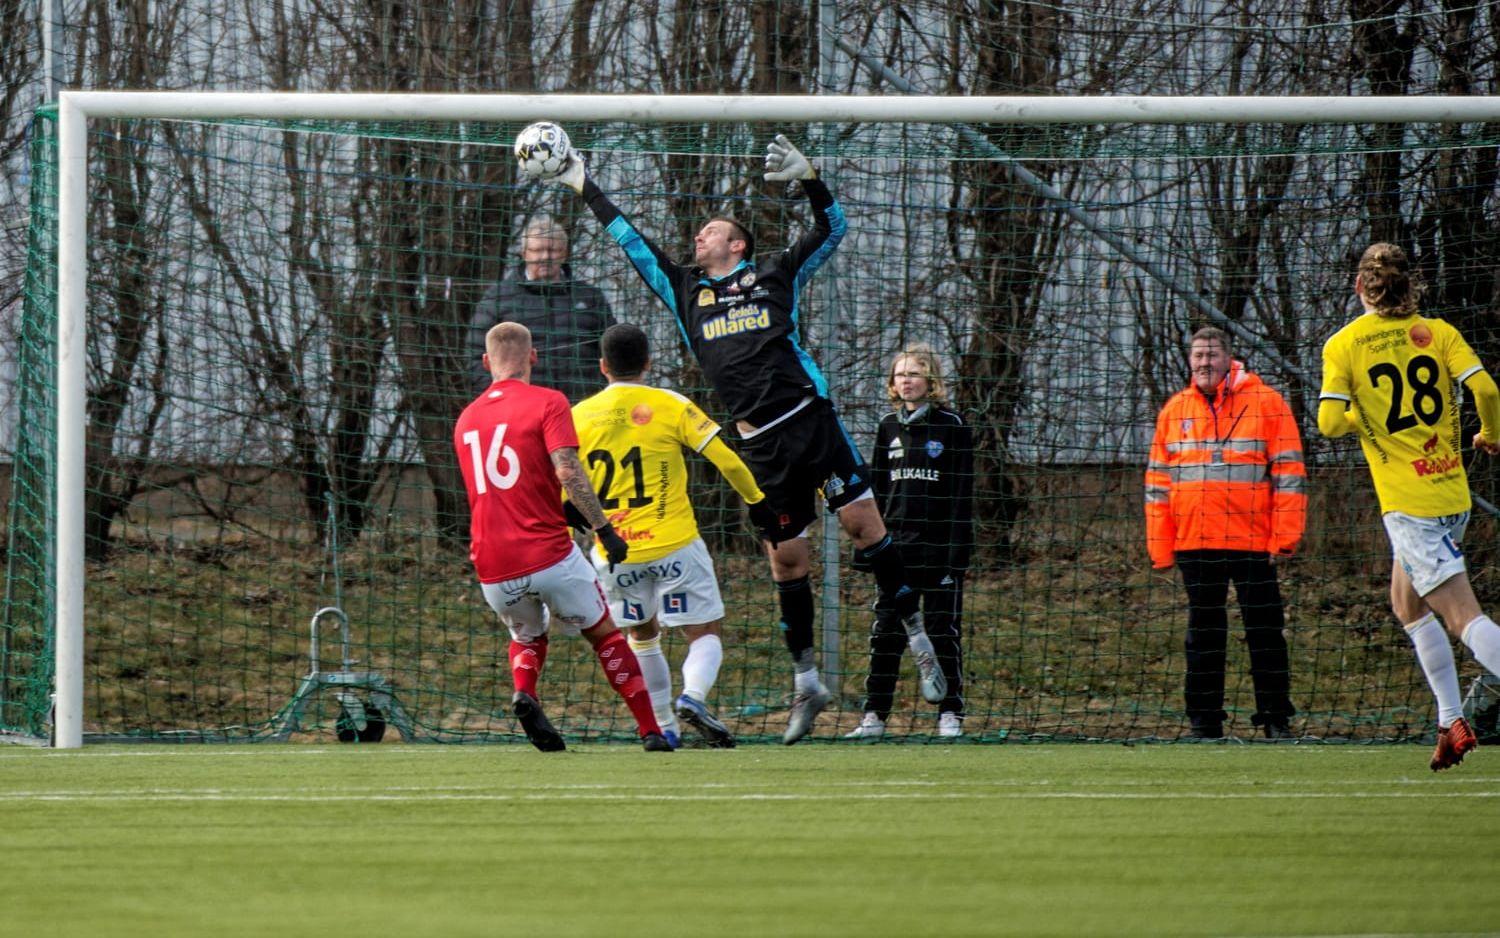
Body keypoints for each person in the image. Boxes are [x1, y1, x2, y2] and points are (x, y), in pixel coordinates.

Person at [551, 132, 946, 744]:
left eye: (710, 231)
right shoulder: (688, 292)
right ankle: (807, 681)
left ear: (736, 243)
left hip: (811, 422)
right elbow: (632, 242)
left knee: (866, 529)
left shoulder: (774, 273)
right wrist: (583, 184)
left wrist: (809, 179)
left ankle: (918, 634)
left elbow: (833, 230)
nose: (698, 238)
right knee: (788, 563)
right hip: (758, 446)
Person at [1319, 242, 1500, 770]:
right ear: (1410, 288)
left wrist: (1363, 420)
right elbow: (1485, 389)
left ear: (1360, 288)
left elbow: (1330, 423)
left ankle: (1451, 717)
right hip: (1450, 494)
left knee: (1465, 619)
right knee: (1408, 605)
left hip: (1409, 505)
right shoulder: (1438, 333)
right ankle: (1450, 720)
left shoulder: (1345, 345)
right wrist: (1489, 433)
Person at [454, 321, 670, 752]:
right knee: (605, 634)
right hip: (548, 553)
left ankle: (525, 693)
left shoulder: (466, 419)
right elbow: (567, 470)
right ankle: (651, 730)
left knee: (527, 637)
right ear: (533, 357)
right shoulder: (549, 402)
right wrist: (604, 529)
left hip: (492, 565)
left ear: (485, 363)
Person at [572, 323, 774, 749]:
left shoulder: (578, 416)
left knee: (641, 635)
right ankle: (693, 697)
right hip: (676, 544)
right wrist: (757, 501)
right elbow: (727, 459)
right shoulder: (671, 404)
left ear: (603, 367)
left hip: (615, 552)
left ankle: (664, 724)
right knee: (704, 632)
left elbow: (565, 488)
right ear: (648, 363)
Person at [1145, 326, 1305, 740]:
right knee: (1204, 634)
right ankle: (1204, 722)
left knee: (1265, 631)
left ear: (1229, 358)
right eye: (1197, 355)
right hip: (1195, 542)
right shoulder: (1174, 411)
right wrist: (1161, 548)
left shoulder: (1267, 403)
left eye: (1211, 355)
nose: (1203, 363)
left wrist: (1284, 538)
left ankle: (1275, 718)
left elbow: (1290, 475)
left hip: (1253, 541)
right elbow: (1156, 486)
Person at [845, 345, 974, 740]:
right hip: (894, 550)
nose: (906, 381)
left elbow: (961, 496)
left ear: (931, 382)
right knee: (887, 631)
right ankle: (874, 717)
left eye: (914, 374)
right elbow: (876, 492)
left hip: (936, 550)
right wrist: (867, 548)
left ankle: (950, 714)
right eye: (900, 375)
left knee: (942, 631)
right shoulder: (887, 426)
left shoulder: (952, 425)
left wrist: (956, 555)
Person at [467, 214, 615, 399]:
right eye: (537, 250)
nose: (545, 257)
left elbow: (613, 352)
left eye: (553, 250)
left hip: (582, 408)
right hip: (521, 409)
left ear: (564, 252)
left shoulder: (590, 297)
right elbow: (475, 356)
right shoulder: (498, 297)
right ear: (524, 253)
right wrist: (503, 401)